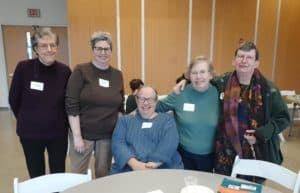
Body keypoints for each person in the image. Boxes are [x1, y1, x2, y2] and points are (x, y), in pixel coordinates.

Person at [176, 42, 290, 182]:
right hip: (225, 153)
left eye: (249, 57)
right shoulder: (223, 82)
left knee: (250, 188)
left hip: (255, 151)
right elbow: (202, 78)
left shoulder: (269, 89)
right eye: (241, 56)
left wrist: (262, 134)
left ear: (256, 63)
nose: (244, 60)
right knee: (222, 185)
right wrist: (185, 79)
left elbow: (283, 118)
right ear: (234, 61)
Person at [8, 27, 71, 178]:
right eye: (44, 45)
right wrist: (27, 118)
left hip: (57, 133)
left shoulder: (65, 71)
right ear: (36, 49)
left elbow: (69, 101)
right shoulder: (23, 68)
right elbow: (13, 99)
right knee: (36, 173)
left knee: (58, 173)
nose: (49, 49)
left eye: (53, 45)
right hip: (30, 133)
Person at [65, 31, 125, 178]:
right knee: (77, 175)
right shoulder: (81, 71)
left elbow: (120, 106)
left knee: (103, 175)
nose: (103, 52)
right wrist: (77, 137)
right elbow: (71, 104)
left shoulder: (117, 75)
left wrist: (119, 135)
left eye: (106, 49)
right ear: (92, 50)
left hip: (107, 135)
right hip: (83, 134)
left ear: (111, 50)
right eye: (99, 48)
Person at [156, 56, 219, 172]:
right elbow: (156, 107)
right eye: (194, 73)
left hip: (210, 158)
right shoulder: (180, 93)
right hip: (182, 156)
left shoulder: (220, 94)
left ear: (210, 75)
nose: (198, 76)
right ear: (189, 76)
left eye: (202, 72)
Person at [111, 86, 183, 174]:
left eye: (150, 99)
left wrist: (154, 163)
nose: (146, 103)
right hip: (130, 168)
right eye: (142, 99)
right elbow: (118, 143)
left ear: (156, 101)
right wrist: (135, 164)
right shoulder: (125, 121)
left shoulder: (167, 120)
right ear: (136, 100)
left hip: (163, 167)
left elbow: (170, 142)